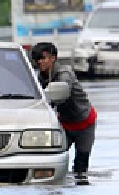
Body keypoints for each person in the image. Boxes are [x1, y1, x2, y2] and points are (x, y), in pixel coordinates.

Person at [30, 41, 97, 185]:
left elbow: (60, 95)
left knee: (81, 165)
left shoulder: (64, 74)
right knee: (51, 158)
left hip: (84, 123)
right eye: (37, 59)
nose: (40, 62)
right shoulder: (40, 78)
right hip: (64, 124)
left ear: (53, 58)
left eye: (43, 58)